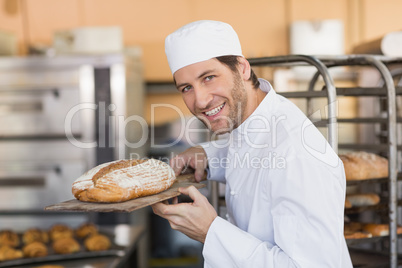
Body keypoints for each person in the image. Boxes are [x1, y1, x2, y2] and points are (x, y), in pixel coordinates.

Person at [151, 20, 352, 267]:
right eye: (186, 88)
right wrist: (207, 153)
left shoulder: (297, 154)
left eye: (209, 77)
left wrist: (210, 231)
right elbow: (253, 153)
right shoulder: (252, 124)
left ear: (242, 68)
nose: (200, 100)